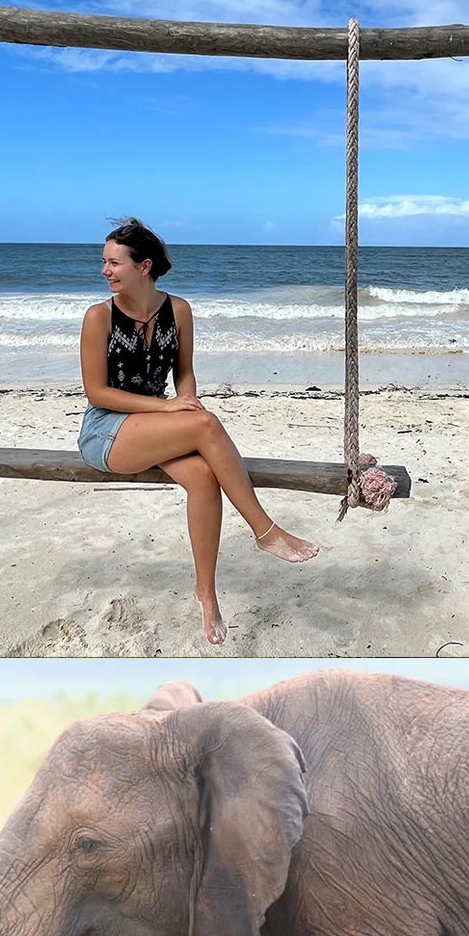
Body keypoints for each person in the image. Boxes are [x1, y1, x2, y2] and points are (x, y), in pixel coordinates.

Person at [78, 217, 318, 647]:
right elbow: (97, 393)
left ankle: (206, 593)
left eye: (114, 263)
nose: (105, 271)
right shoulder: (99, 317)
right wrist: (170, 409)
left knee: (205, 476)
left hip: (157, 426)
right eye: (104, 262)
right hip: (107, 432)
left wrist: (185, 402)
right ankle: (266, 532)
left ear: (144, 266)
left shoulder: (179, 310)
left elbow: (184, 373)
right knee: (205, 426)